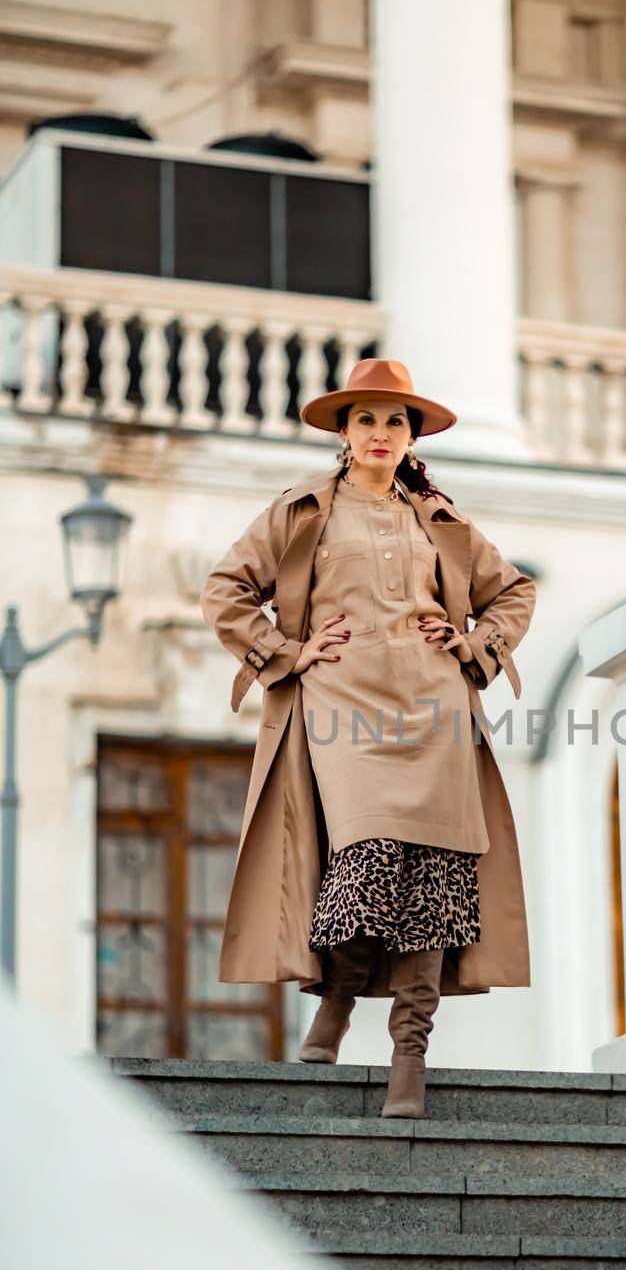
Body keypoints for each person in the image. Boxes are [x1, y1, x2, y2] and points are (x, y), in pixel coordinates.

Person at [199, 359, 536, 1118]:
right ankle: (339, 998)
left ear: (409, 436)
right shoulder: (300, 511)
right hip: (340, 705)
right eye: (366, 420)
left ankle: (408, 1056)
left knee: (434, 880)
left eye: (395, 421)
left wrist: (472, 646)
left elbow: (513, 591)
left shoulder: (438, 517)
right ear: (343, 434)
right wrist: (286, 655)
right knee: (365, 862)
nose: (381, 434)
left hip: (435, 707)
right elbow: (225, 591)